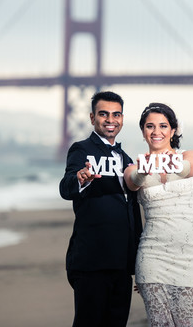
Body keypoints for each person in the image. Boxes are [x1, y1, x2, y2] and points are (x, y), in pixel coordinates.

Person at [124, 102, 193, 326]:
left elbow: (190, 169)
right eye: (150, 126)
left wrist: (163, 162)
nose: (156, 132)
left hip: (192, 256)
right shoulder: (133, 166)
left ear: (173, 130)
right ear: (143, 131)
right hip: (153, 258)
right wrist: (144, 170)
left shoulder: (189, 156)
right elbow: (133, 182)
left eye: (163, 126)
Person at [59, 91, 143, 327]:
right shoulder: (81, 149)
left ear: (122, 119)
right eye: (103, 114)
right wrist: (80, 178)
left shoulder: (128, 160)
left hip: (122, 263)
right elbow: (66, 188)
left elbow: (133, 212)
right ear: (92, 117)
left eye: (116, 114)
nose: (110, 120)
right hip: (91, 261)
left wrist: (138, 261)